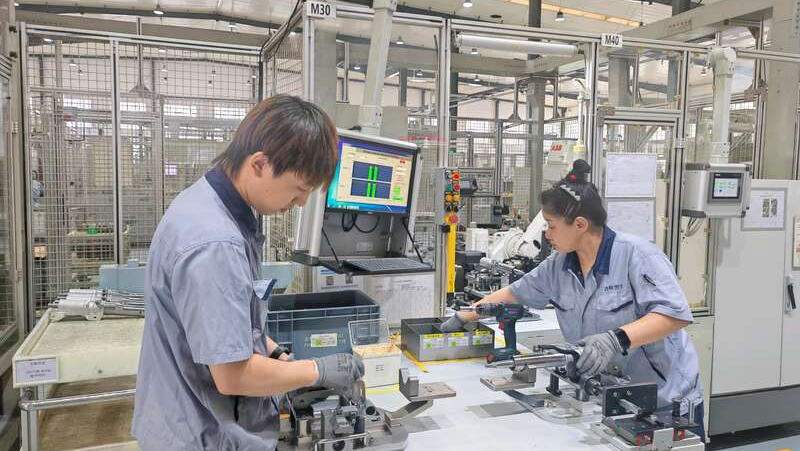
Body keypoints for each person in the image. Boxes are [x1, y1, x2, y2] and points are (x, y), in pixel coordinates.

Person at [133, 95, 365, 451]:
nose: (302, 202)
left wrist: (277, 356)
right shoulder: (215, 243)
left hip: (182, 421)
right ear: (259, 164)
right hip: (204, 436)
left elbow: (226, 325)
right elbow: (233, 375)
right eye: (299, 188)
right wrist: (317, 370)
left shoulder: (209, 204)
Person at [442, 159, 705, 440]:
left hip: (664, 402)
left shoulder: (637, 256)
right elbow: (514, 293)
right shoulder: (559, 265)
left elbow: (673, 315)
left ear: (579, 224)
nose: (546, 235)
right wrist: (465, 315)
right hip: (608, 399)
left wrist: (614, 340)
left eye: (552, 226)